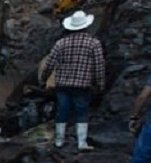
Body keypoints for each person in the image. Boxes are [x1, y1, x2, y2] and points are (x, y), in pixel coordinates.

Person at [39, 10, 106, 151]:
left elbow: (49, 63)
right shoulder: (94, 43)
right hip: (82, 85)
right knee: (81, 112)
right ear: (86, 26)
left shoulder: (61, 43)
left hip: (62, 84)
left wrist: (43, 79)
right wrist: (100, 84)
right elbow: (99, 66)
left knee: (62, 110)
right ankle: (81, 142)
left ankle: (59, 140)